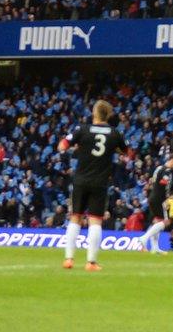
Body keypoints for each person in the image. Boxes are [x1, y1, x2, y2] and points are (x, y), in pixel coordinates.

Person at [57, 99, 120, 271]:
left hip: (81, 180)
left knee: (75, 218)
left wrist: (75, 147)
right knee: (95, 221)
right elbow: (127, 153)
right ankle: (91, 262)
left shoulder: (82, 129)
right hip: (100, 182)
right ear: (108, 115)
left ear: (94, 113)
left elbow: (62, 145)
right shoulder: (114, 133)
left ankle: (68, 259)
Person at [139, 152, 173, 253]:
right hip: (159, 199)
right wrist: (170, 196)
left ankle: (155, 248)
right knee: (165, 222)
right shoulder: (167, 171)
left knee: (158, 221)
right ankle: (144, 238)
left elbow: (152, 181)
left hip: (153, 196)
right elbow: (163, 183)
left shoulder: (159, 168)